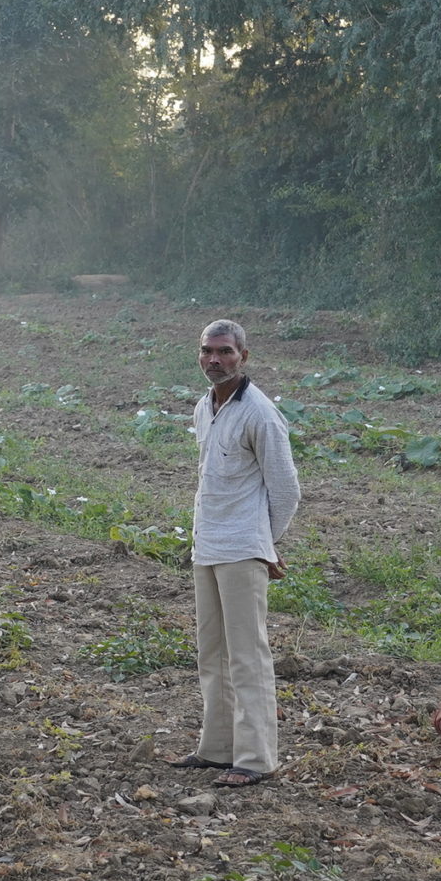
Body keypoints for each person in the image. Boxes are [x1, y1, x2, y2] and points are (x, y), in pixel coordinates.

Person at [168, 318, 301, 788]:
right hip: (207, 545)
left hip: (244, 549)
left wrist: (266, 544)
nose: (215, 360)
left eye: (225, 351)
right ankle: (218, 748)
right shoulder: (205, 407)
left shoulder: (260, 413)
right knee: (213, 653)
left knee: (248, 655)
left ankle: (256, 758)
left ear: (243, 356)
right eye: (208, 351)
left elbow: (285, 490)